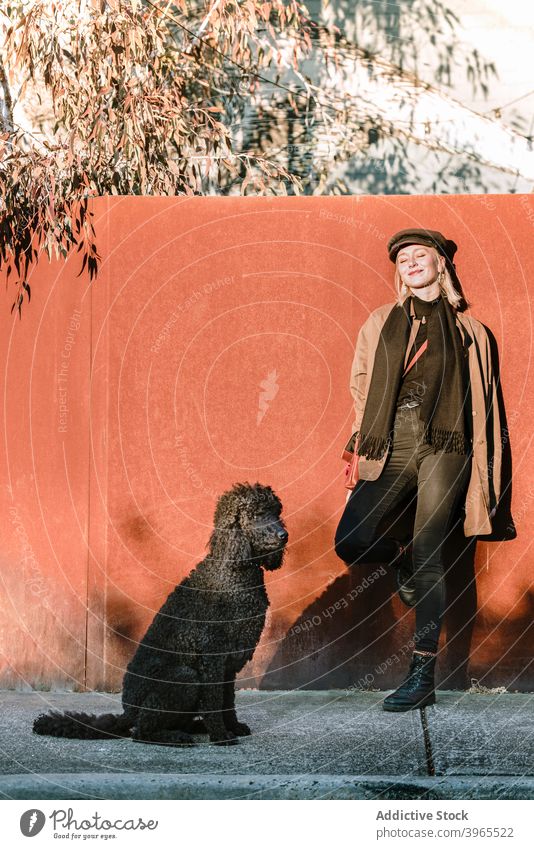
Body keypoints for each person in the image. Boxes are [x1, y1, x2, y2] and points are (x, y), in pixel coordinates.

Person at [334, 228, 504, 712]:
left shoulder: (472, 332)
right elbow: (362, 390)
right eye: (402, 258)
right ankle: (402, 559)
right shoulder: (381, 321)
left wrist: (485, 471)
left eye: (419, 255)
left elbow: (486, 405)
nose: (410, 262)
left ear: (440, 264)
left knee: (432, 548)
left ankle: (422, 674)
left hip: (448, 447)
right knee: (352, 539)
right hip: (392, 443)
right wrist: (357, 449)